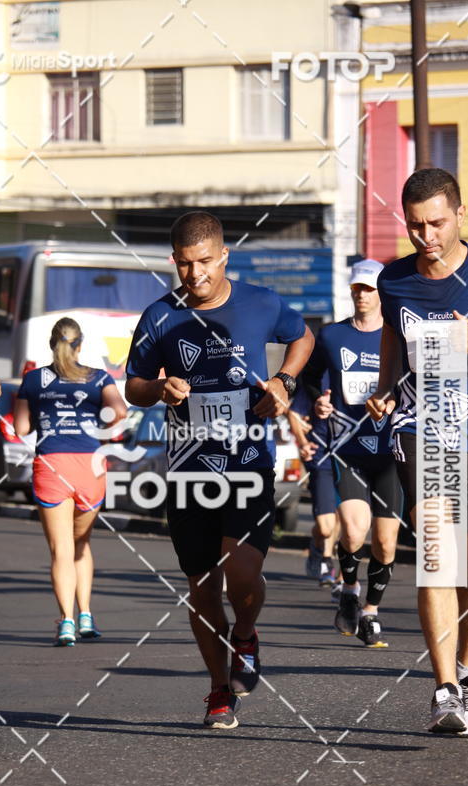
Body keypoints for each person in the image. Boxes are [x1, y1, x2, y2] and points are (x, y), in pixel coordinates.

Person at [125, 211, 314, 728]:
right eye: (184, 265)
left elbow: (303, 339)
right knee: (203, 586)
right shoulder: (158, 317)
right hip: (189, 469)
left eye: (205, 262)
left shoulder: (259, 302)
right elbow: (132, 387)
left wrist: (285, 383)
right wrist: (158, 389)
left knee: (243, 575)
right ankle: (217, 690)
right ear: (174, 262)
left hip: (249, 461)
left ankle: (246, 635)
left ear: (224, 255)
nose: (195, 274)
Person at [367, 168, 468, 736]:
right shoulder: (393, 281)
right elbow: (392, 334)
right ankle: (443, 690)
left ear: (460, 213)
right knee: (439, 552)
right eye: (415, 225)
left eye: (436, 222)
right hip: (425, 424)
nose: (426, 236)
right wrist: (387, 386)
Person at [303, 259, 402, 648]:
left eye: (370, 289)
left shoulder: (397, 337)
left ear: (382, 294)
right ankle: (348, 587)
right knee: (354, 531)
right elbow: (308, 378)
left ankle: (371, 611)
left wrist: (394, 401)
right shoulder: (331, 336)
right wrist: (319, 401)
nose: (362, 295)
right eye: (357, 288)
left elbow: (414, 384)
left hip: (391, 452)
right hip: (348, 449)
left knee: (385, 544)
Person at [14, 317, 126, 646]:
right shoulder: (98, 377)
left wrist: (44, 415)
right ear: (80, 345)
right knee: (81, 545)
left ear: (53, 343)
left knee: (60, 550)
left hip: (51, 465)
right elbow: (119, 411)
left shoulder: (33, 379)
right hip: (90, 466)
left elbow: (21, 429)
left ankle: (66, 621)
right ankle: (87, 613)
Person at [287, 376, 338, 588]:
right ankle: (318, 548)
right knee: (326, 527)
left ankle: (328, 561)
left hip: (354, 455)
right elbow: (294, 412)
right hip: (321, 457)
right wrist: (303, 442)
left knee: (344, 516)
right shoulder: (318, 375)